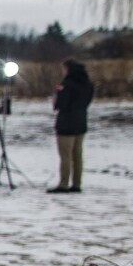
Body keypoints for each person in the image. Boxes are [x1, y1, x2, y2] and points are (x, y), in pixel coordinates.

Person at [50, 58, 94, 194]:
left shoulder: (67, 85)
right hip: (81, 121)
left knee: (65, 155)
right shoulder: (88, 84)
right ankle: (76, 183)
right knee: (78, 155)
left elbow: (61, 105)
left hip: (66, 123)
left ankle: (63, 183)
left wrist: (57, 96)